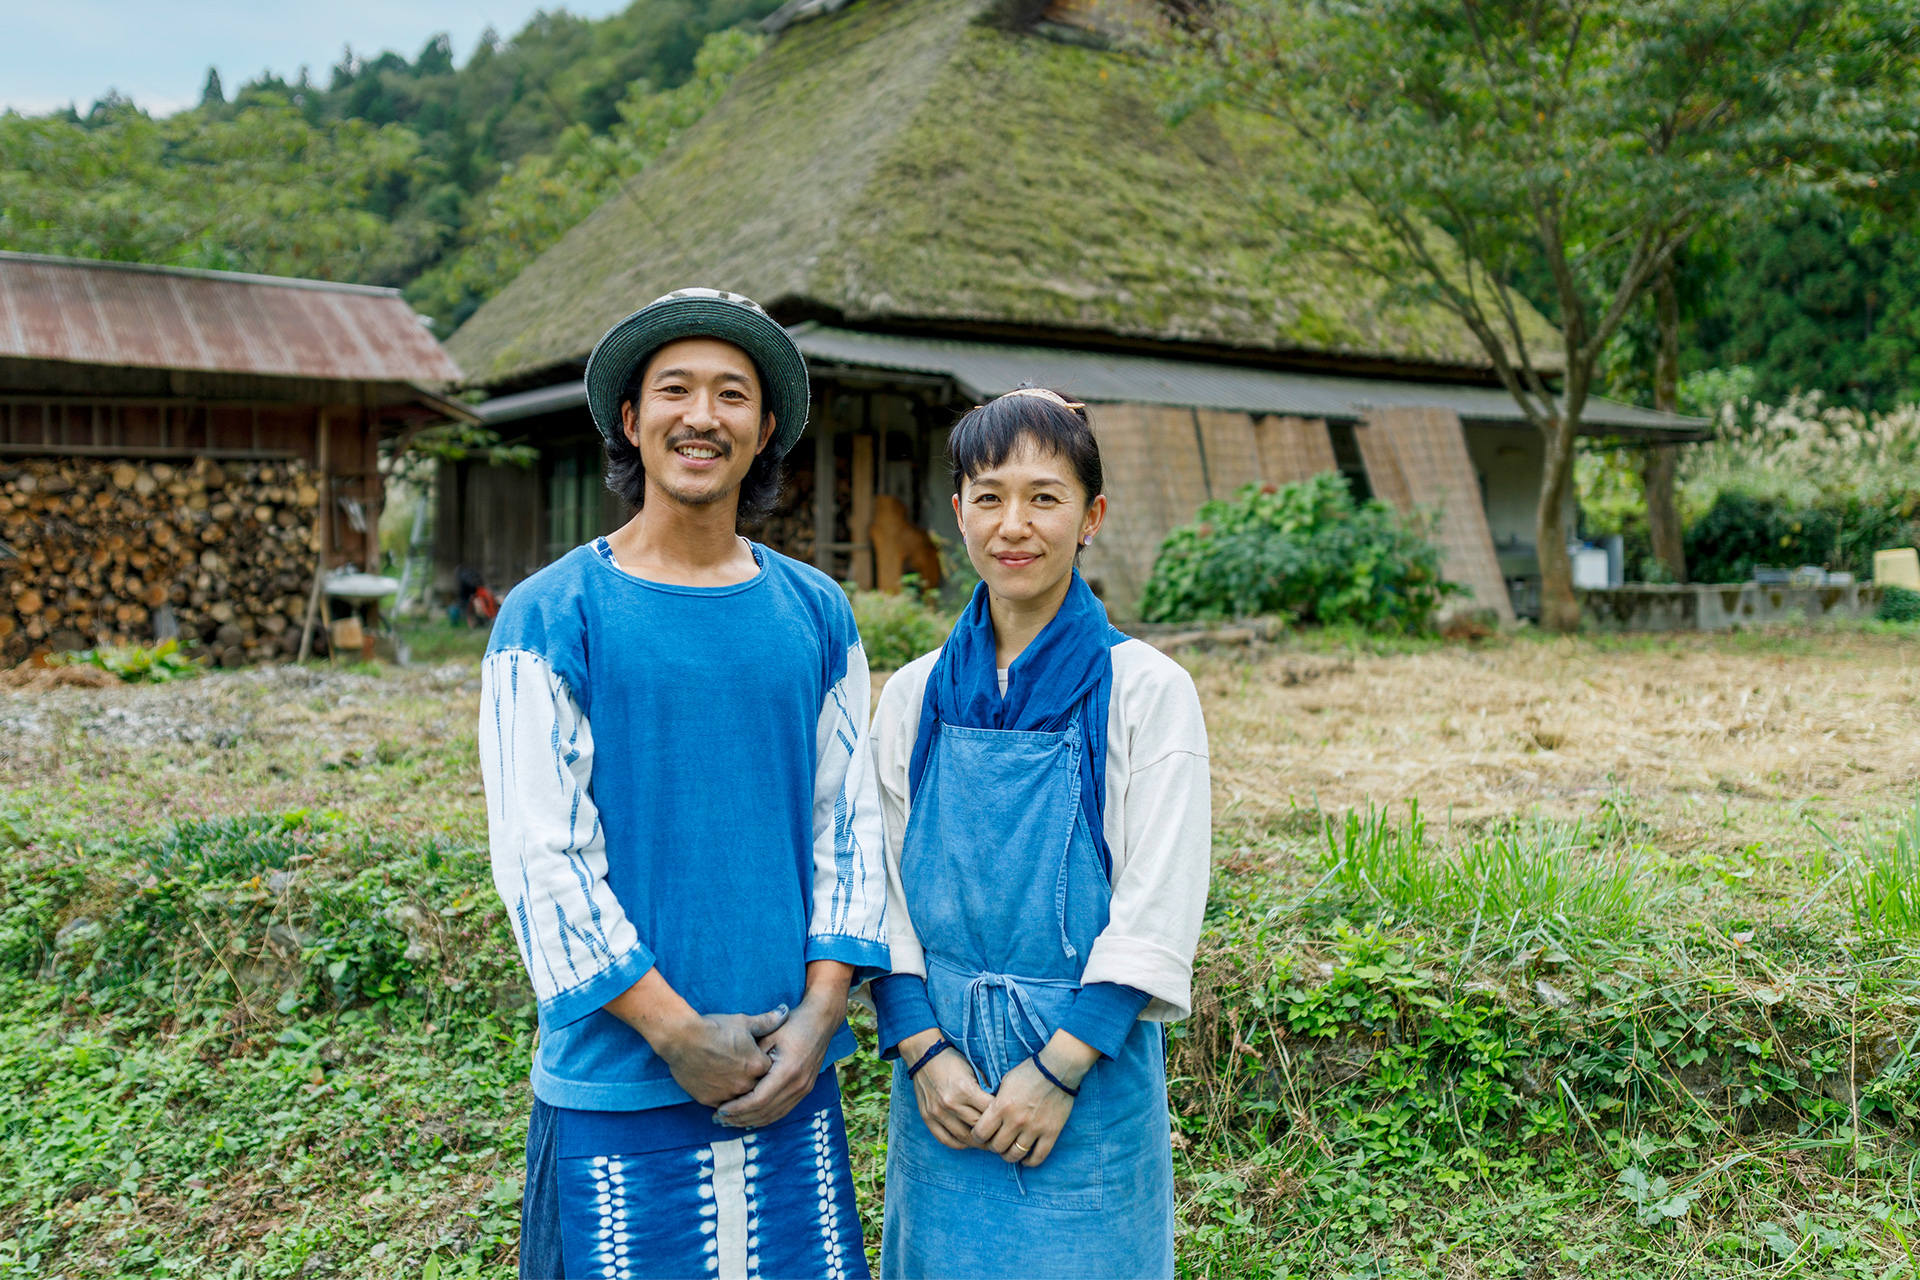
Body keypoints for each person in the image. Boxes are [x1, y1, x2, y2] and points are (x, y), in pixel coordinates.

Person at [479, 288, 890, 1280]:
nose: (701, 416)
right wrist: (675, 1030)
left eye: (732, 394)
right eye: (675, 389)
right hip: (619, 1084)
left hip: (788, 1080)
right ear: (631, 418)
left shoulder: (817, 613)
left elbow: (853, 825)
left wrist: (824, 1011)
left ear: (764, 432)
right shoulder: (550, 618)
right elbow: (543, 859)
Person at [865, 388, 1211, 1279]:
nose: (1014, 525)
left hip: (1085, 1076)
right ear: (958, 515)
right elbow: (882, 890)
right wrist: (923, 1051)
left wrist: (1056, 1070)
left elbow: (1157, 902)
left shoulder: (1146, 691)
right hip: (941, 1082)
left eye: (1045, 497)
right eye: (989, 496)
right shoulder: (912, 696)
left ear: (1091, 516)